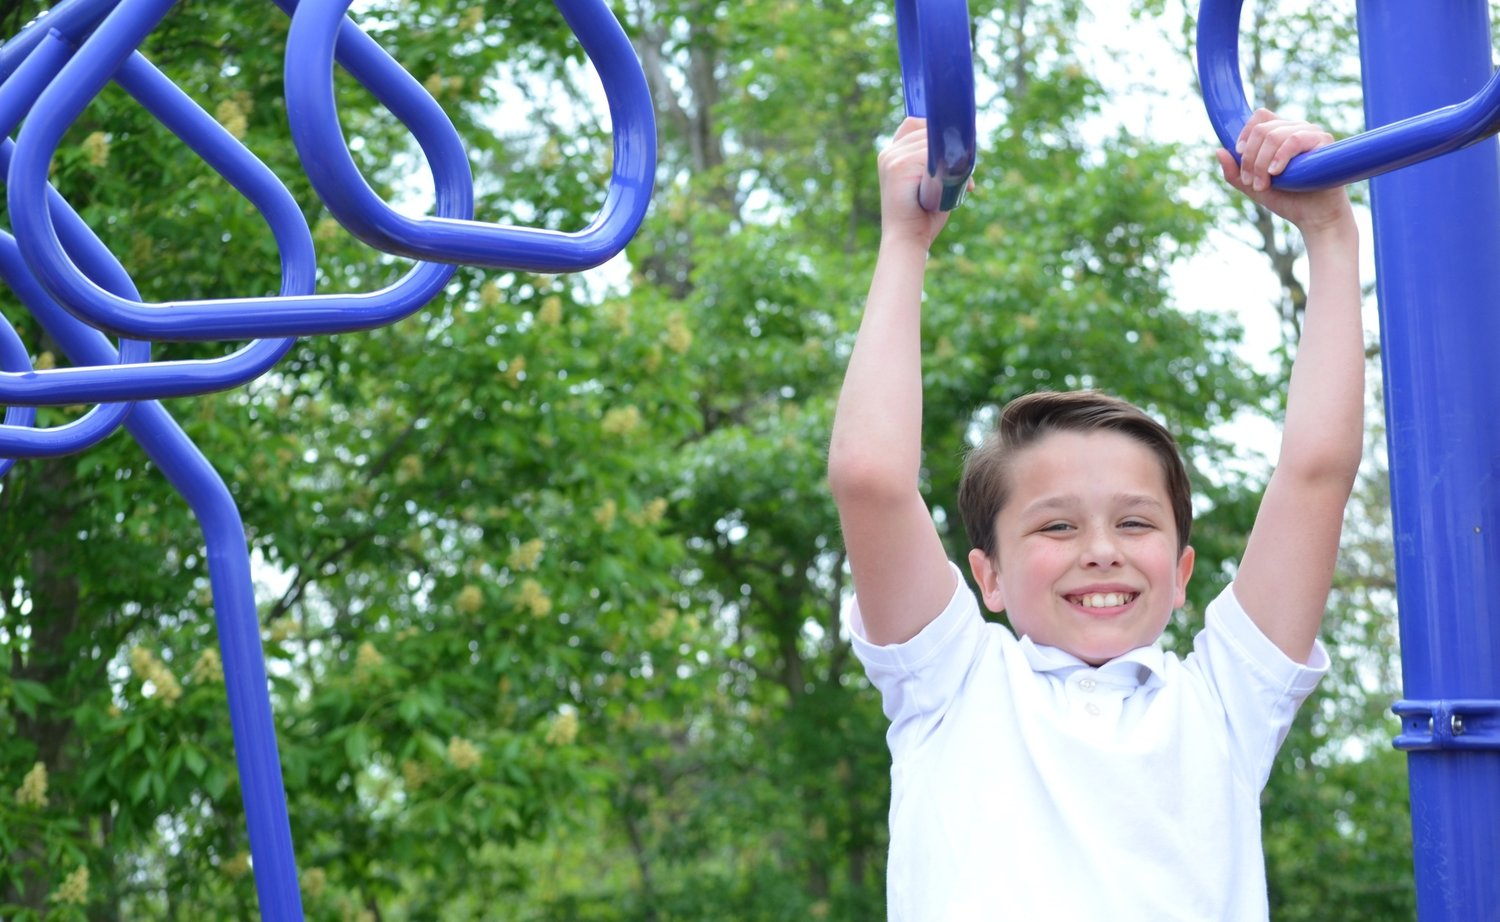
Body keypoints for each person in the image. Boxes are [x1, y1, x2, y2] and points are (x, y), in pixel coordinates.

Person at [827, 109, 1363, 920]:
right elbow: (870, 479)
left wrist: (1329, 233)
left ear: (1182, 572)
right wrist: (905, 243)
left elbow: (1315, 475)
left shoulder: (1223, 705)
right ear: (989, 577)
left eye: (1136, 523)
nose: (1102, 551)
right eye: (1056, 526)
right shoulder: (952, 685)